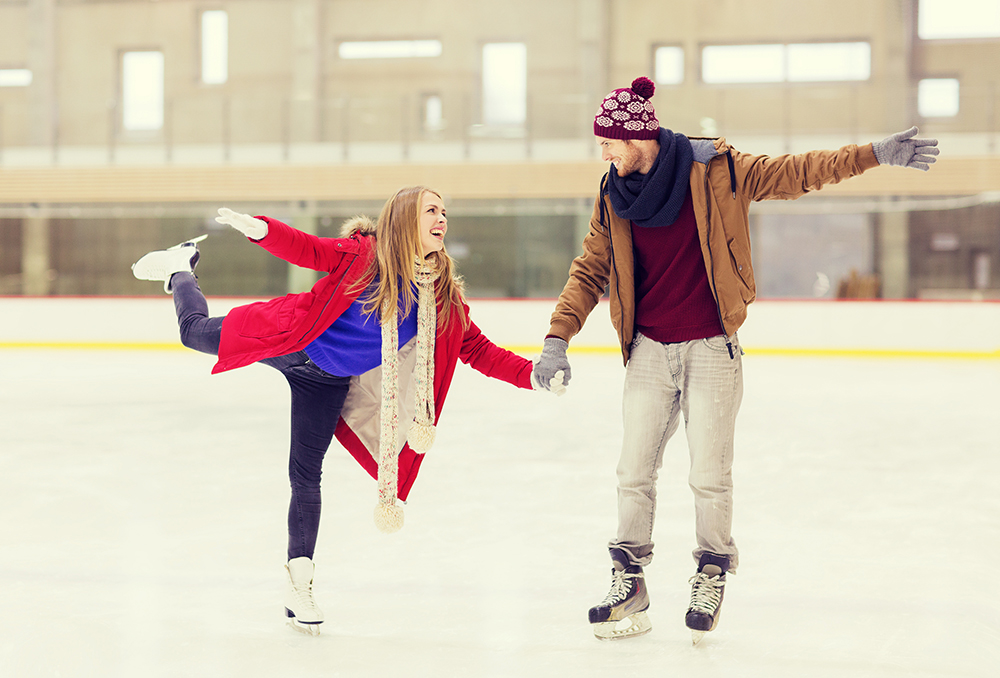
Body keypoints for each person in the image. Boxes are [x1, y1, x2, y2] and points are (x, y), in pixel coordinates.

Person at [531, 77, 939, 644]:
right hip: (649, 349)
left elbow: (798, 172)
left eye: (608, 142)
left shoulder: (714, 167)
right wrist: (558, 337)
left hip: (711, 348)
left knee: (708, 474)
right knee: (632, 471)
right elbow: (590, 268)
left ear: (638, 136)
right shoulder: (612, 194)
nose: (602, 153)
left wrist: (873, 154)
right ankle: (629, 578)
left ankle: (711, 570)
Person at [131, 186, 565, 636]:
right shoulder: (363, 255)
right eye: (431, 210)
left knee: (305, 474)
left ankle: (299, 583)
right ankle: (180, 268)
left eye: (444, 212)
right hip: (291, 338)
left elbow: (478, 349)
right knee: (194, 333)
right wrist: (263, 229)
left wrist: (531, 374)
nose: (443, 219)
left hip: (324, 381)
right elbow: (309, 250)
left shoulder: (440, 298)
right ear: (403, 220)